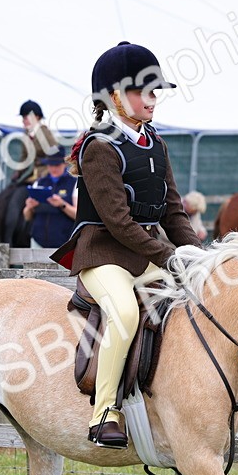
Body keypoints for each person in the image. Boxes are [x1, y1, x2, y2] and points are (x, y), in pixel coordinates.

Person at [50, 41, 204, 448]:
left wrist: (198, 257)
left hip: (145, 254)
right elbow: (118, 223)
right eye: (145, 92)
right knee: (124, 313)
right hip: (104, 255)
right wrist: (169, 256)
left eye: (156, 92)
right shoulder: (99, 147)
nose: (153, 99)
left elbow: (173, 212)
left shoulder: (156, 143)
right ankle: (104, 413)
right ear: (115, 96)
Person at [22, 147, 77, 249]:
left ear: (64, 164)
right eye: (51, 165)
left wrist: (62, 205)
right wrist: (29, 207)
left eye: (57, 165)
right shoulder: (39, 182)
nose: (53, 168)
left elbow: (77, 215)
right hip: (38, 241)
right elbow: (27, 217)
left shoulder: (74, 183)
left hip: (64, 243)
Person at [12, 100, 59, 185]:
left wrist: (45, 175)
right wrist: (18, 172)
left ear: (36, 117)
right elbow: (25, 158)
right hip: (35, 174)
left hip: (47, 175)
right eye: (23, 118)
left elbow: (55, 157)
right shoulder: (27, 134)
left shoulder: (45, 133)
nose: (23, 121)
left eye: (25, 118)